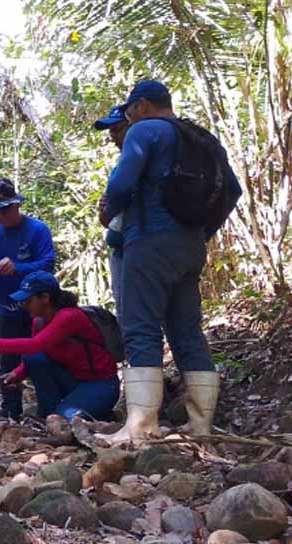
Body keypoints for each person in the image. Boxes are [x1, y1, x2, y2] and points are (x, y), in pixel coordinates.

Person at [98, 80, 242, 445]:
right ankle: (201, 426)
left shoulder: (145, 130)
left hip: (148, 242)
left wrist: (108, 211)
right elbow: (234, 190)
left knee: (141, 327)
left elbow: (121, 183)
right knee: (187, 331)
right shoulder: (201, 137)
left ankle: (141, 426)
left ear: (143, 105)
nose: (128, 116)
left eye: (130, 108)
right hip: (190, 245)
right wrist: (201, 233)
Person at [0, 271, 120, 421]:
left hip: (102, 384)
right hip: (73, 380)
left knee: (64, 419)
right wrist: (16, 374)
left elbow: (35, 345)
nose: (24, 305)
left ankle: (93, 413)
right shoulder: (39, 321)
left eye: (28, 300)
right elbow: (37, 353)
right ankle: (48, 414)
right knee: (33, 359)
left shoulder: (69, 316)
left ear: (45, 298)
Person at [0, 177, 56, 418]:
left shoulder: (37, 230)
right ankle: (10, 409)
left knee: (40, 357)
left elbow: (47, 264)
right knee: (8, 360)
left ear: (16, 206)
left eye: (4, 211)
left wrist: (18, 267)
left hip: (38, 310)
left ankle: (49, 410)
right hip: (7, 308)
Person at [94, 106, 130, 314]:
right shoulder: (123, 164)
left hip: (134, 250)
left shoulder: (137, 159)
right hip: (123, 246)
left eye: (117, 130)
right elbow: (109, 218)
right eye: (111, 132)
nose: (112, 137)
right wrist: (104, 211)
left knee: (134, 319)